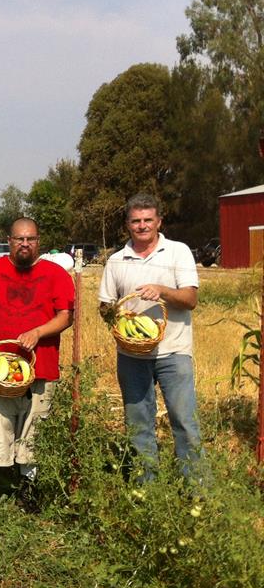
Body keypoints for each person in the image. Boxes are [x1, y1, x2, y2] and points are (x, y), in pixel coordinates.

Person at [98, 193, 205, 482]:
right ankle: (148, 488)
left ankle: (197, 490)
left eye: (148, 219)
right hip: (132, 356)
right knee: (139, 424)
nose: (142, 225)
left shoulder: (177, 252)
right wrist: (118, 318)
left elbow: (191, 298)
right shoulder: (117, 261)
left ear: (159, 220)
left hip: (174, 352)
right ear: (127, 224)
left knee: (184, 422)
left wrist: (163, 291)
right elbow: (105, 306)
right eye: (136, 221)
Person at [0, 218, 74, 484]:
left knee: (34, 428)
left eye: (30, 239)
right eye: (19, 239)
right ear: (9, 241)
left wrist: (37, 332)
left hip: (42, 366)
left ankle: (29, 488)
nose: (25, 244)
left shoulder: (56, 274)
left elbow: (66, 316)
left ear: (38, 241)